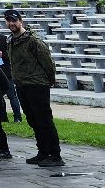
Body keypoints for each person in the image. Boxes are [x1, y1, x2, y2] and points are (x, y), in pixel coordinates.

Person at [4, 9, 62, 168]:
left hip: (37, 84)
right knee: (32, 119)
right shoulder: (10, 41)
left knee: (44, 120)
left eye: (14, 20)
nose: (11, 24)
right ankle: (43, 151)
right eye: (8, 21)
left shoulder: (33, 40)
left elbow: (48, 62)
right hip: (21, 84)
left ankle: (55, 155)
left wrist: (50, 79)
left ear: (20, 21)